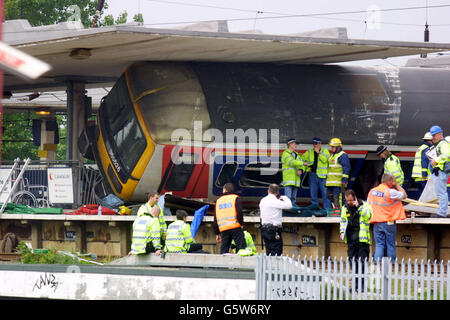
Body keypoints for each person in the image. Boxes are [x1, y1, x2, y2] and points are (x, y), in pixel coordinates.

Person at [368, 173, 407, 262]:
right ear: (390, 181)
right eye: (392, 181)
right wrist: (396, 185)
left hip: (377, 222)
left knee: (379, 244)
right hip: (389, 222)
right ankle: (392, 264)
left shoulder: (372, 191)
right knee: (390, 244)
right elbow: (404, 195)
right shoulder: (390, 192)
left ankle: (377, 264)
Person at [339, 189, 372, 292]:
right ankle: (355, 286)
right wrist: (341, 232)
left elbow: (369, 216)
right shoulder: (345, 208)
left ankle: (361, 286)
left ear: (354, 198)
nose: (349, 203)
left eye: (350, 200)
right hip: (351, 239)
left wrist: (359, 207)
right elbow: (343, 220)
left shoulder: (364, 205)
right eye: (347, 200)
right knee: (353, 263)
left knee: (362, 263)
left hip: (362, 240)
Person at [259, 184, 293, 256]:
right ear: (278, 192)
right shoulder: (276, 201)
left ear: (268, 191)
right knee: (276, 253)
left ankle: (268, 267)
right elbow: (289, 205)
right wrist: (284, 197)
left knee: (269, 252)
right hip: (274, 231)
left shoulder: (263, 200)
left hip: (264, 230)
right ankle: (274, 267)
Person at [213, 183, 247, 254]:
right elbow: (239, 212)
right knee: (242, 248)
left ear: (224, 190)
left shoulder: (218, 201)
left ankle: (223, 264)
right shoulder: (235, 198)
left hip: (224, 229)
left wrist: (217, 233)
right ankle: (242, 264)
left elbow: (216, 218)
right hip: (235, 227)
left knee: (224, 250)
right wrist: (241, 223)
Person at [301, 137, 331, 209]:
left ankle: (327, 210)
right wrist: (307, 169)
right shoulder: (309, 152)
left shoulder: (325, 151)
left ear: (320, 144)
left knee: (325, 194)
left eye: (317, 143)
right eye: (314, 143)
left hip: (322, 176)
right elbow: (301, 161)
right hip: (313, 175)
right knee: (313, 194)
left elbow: (325, 160)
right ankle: (315, 209)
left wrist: (318, 152)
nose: (315, 145)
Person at [429, 125, 450, 218]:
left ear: (440, 134)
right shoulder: (440, 144)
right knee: (440, 193)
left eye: (434, 135)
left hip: (440, 172)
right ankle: (441, 212)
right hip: (439, 172)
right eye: (432, 135)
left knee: (441, 193)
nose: (433, 137)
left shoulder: (443, 144)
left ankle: (441, 213)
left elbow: (447, 155)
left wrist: (436, 160)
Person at [326, 138, 350, 209]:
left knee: (338, 199)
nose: (331, 148)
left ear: (338, 147)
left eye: (333, 147)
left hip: (338, 183)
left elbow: (346, 168)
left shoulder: (342, 155)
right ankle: (335, 210)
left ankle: (339, 213)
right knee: (329, 196)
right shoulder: (332, 155)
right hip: (330, 183)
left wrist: (344, 180)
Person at [281, 138, 305, 208]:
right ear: (290, 144)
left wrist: (301, 170)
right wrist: (303, 163)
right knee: (288, 199)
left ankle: (292, 212)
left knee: (293, 199)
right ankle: (287, 212)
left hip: (296, 181)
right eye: (295, 144)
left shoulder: (297, 155)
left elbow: (302, 166)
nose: (296, 145)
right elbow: (291, 162)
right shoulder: (285, 154)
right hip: (288, 180)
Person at [411, 132, 433, 196]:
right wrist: (424, 175)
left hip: (418, 176)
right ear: (430, 141)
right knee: (426, 196)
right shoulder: (427, 149)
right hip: (423, 177)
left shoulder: (420, 148)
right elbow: (424, 162)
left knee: (421, 195)